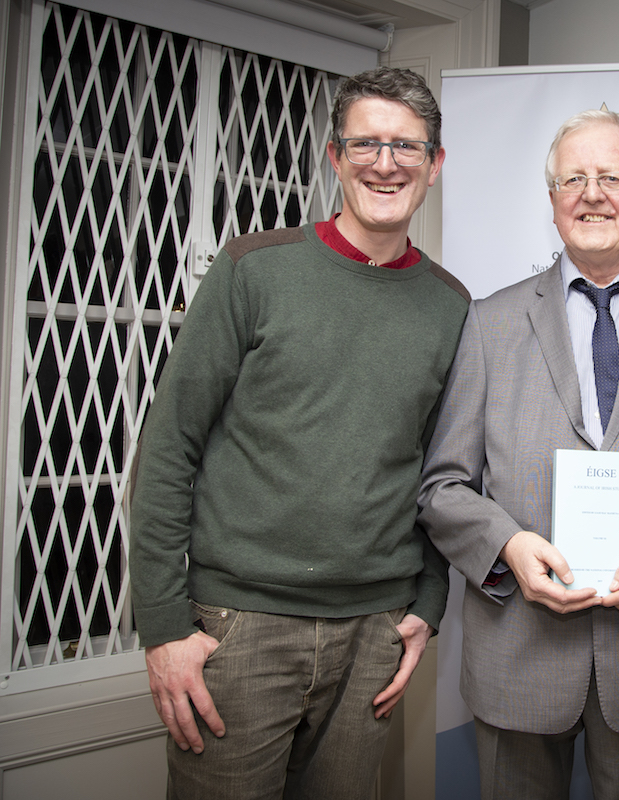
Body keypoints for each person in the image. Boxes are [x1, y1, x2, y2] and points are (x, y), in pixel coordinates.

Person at [129, 67, 469, 799]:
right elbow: (168, 448)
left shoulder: (451, 307)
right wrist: (163, 627)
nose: (385, 163)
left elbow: (442, 475)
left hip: (375, 633)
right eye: (365, 144)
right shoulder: (254, 270)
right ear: (335, 156)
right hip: (239, 627)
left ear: (435, 164)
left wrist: (427, 605)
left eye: (406, 147)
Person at [418, 109, 619, 800]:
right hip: (518, 654)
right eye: (574, 179)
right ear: (553, 200)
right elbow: (443, 485)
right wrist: (508, 548)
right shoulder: (490, 321)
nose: (592, 194)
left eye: (612, 178)